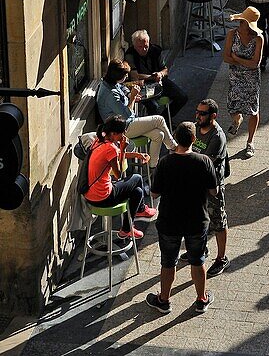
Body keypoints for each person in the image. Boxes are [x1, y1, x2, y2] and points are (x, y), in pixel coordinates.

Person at [146, 122, 218, 314]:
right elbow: (214, 191)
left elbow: (154, 194)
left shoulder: (165, 162)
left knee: (168, 262)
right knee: (198, 260)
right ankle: (202, 299)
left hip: (170, 220)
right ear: (194, 139)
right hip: (196, 219)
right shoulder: (204, 161)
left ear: (175, 139)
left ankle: (164, 300)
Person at [84, 115, 156, 243]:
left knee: (137, 192)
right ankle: (140, 210)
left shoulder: (98, 140)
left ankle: (127, 228)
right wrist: (123, 148)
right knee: (137, 178)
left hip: (90, 194)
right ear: (113, 133)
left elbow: (113, 156)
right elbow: (119, 172)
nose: (124, 135)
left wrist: (136, 155)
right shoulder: (110, 148)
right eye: (122, 133)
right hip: (103, 197)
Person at [96, 59, 176, 168]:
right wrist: (133, 98)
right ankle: (174, 148)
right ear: (118, 76)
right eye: (125, 76)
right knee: (159, 120)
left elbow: (122, 87)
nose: (126, 78)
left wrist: (129, 94)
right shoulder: (110, 95)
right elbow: (127, 115)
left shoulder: (109, 82)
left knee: (159, 135)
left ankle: (153, 167)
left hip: (128, 123)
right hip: (121, 129)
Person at [193, 98, 230, 276]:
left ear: (213, 116)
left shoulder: (217, 136)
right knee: (199, 218)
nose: (198, 116)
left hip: (212, 185)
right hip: (196, 184)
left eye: (202, 113)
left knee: (218, 221)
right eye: (197, 112)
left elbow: (204, 164)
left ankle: (222, 258)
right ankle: (202, 249)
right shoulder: (195, 128)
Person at [223, 8, 263, 151]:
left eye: (244, 22)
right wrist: (243, 62)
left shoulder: (258, 38)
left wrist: (237, 58)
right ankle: (237, 119)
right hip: (235, 76)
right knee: (232, 105)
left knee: (253, 109)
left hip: (252, 79)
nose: (241, 24)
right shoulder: (232, 34)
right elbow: (226, 57)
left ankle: (250, 141)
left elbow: (255, 63)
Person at [127, 30, 188, 121]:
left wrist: (160, 74)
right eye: (140, 47)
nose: (144, 49)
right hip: (142, 85)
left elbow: (165, 69)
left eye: (146, 46)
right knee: (153, 107)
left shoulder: (155, 50)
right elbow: (135, 76)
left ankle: (164, 120)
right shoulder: (130, 54)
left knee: (182, 97)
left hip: (159, 82)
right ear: (135, 46)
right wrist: (152, 76)